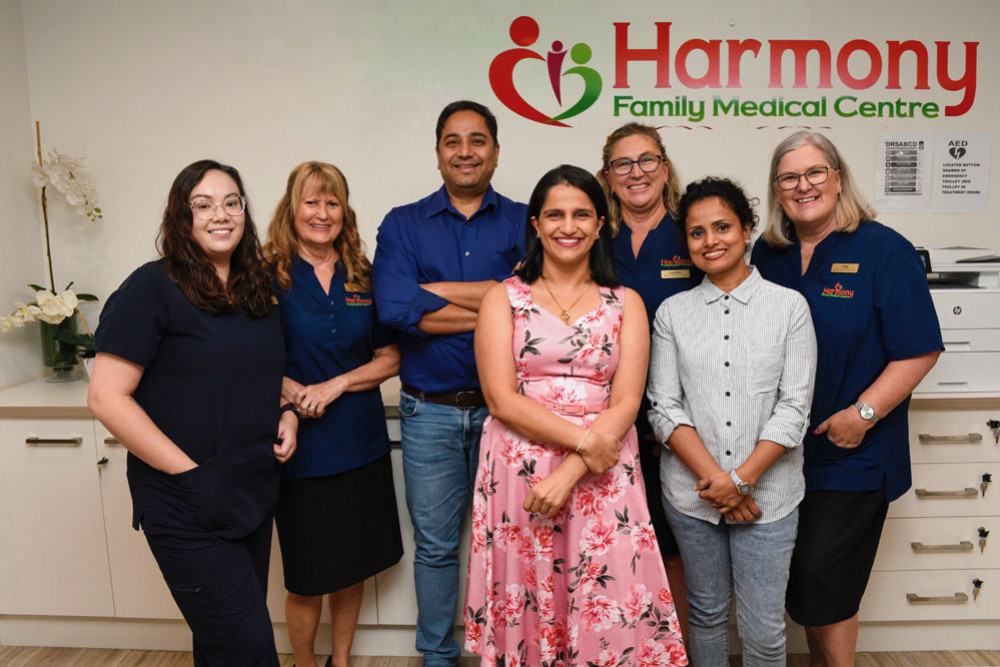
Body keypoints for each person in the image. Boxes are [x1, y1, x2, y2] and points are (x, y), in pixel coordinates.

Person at [465, 164, 687, 666]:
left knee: (606, 595)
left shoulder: (627, 302)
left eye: (582, 214)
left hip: (602, 470)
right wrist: (583, 442)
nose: (569, 226)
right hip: (520, 467)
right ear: (537, 225)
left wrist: (575, 465)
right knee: (531, 591)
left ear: (602, 222)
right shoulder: (503, 298)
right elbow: (501, 399)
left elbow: (628, 401)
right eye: (556, 215)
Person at [87, 160, 296, 666]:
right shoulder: (151, 288)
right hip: (186, 503)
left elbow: (261, 371)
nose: (219, 215)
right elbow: (106, 397)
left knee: (221, 646)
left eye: (231, 202)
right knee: (250, 652)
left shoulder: (256, 288)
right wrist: (192, 475)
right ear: (181, 218)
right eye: (202, 205)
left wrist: (287, 409)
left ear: (245, 211)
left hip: (250, 492)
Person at [751, 131, 942, 667]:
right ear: (777, 189)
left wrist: (862, 415)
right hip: (782, 451)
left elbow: (920, 350)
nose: (803, 186)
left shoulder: (885, 250)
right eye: (789, 177)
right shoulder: (769, 253)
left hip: (854, 453)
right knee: (804, 583)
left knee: (822, 577)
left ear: (837, 178)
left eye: (815, 173)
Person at [372, 100, 527, 667]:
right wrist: (496, 300)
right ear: (438, 151)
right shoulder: (402, 223)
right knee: (436, 549)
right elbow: (393, 305)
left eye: (478, 140)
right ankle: (437, 656)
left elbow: (534, 306)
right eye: (453, 141)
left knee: (509, 544)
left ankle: (505, 651)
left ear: (495, 150)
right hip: (428, 413)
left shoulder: (525, 221)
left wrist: (433, 293)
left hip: (507, 413)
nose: (466, 152)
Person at [647, 177, 817, 666]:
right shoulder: (672, 313)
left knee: (764, 628)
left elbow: (794, 408)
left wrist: (741, 481)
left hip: (769, 495)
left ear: (747, 229)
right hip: (691, 494)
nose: (710, 241)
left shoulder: (789, 308)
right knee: (705, 613)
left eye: (722, 227)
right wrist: (718, 482)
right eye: (697, 233)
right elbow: (663, 405)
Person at [264, 161, 403, 667]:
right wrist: (296, 394)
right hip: (298, 446)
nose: (322, 213)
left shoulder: (363, 273)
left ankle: (339, 661)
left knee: (351, 567)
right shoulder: (265, 274)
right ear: (291, 208)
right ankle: (304, 664)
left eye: (332, 202)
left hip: (359, 440)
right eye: (311, 202)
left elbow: (391, 357)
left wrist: (337, 383)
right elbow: (249, 356)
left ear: (344, 210)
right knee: (307, 575)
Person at [596, 122, 702, 642]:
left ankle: (674, 650)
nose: (636, 172)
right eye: (623, 163)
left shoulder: (693, 231)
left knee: (675, 544)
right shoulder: (595, 238)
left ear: (664, 167)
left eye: (646, 160)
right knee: (613, 544)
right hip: (607, 416)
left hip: (681, 417)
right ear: (608, 176)